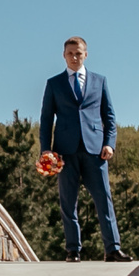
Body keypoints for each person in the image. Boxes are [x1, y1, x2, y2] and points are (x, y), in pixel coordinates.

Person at [38, 35, 132, 261]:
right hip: (64, 152)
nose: (74, 57)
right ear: (64, 55)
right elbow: (46, 119)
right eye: (70, 53)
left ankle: (112, 249)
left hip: (95, 151)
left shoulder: (100, 81)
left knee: (104, 199)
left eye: (78, 53)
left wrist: (110, 143)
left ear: (85, 55)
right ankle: (73, 250)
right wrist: (45, 149)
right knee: (68, 203)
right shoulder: (54, 84)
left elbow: (109, 116)